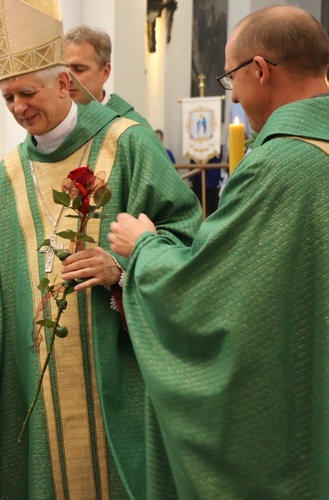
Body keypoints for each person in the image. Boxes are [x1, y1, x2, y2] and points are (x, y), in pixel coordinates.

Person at [0, 1, 202, 498]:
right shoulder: (9, 174)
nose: (19, 107)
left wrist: (124, 265)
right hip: (33, 375)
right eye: (7, 98)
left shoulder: (127, 145)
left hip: (115, 366)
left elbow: (185, 231)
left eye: (27, 92)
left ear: (64, 84)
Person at [107, 6, 329, 497]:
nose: (237, 96)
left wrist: (143, 248)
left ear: (260, 69)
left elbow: (207, 292)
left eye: (231, 79)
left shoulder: (279, 165)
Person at [65, 25, 153, 129]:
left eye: (79, 69)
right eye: (63, 70)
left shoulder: (132, 129)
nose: (68, 79)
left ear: (105, 72)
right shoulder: (53, 123)